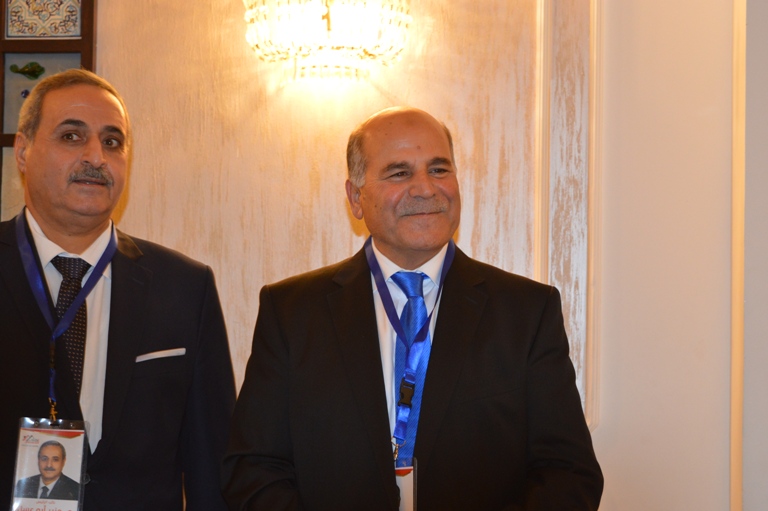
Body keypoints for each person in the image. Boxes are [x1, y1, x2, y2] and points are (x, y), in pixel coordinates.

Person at [222, 106, 603, 510]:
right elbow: (253, 469)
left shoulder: (527, 312)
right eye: (399, 173)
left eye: (439, 169)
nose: (425, 188)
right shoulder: (291, 313)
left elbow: (567, 473)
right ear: (356, 197)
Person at [0, 69, 236, 510]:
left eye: (112, 142)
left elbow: (213, 465)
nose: (96, 157)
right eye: (72, 136)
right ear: (24, 151)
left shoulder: (186, 287)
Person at [15, 441, 80, 500]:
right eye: (44, 459)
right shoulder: (23, 485)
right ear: (38, 460)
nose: (49, 465)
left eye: (55, 459)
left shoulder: (75, 489)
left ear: (63, 461)